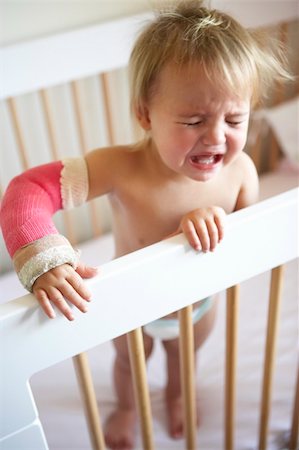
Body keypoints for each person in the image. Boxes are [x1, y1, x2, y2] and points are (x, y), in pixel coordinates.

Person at [0, 1, 291, 449]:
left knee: (183, 362)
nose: (216, 137)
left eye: (235, 119)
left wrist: (220, 223)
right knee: (127, 364)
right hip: (127, 305)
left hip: (198, 308)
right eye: (193, 120)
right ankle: (128, 407)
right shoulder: (120, 167)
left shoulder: (242, 173)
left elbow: (249, 248)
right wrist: (43, 255)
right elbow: (29, 189)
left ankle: (177, 396)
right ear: (145, 115)